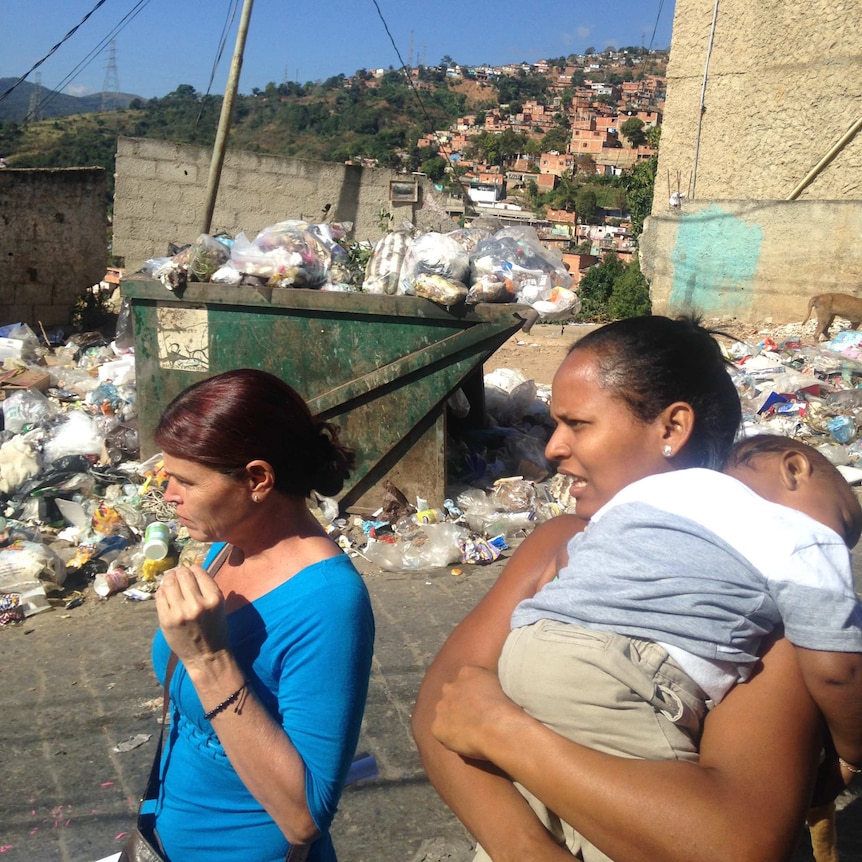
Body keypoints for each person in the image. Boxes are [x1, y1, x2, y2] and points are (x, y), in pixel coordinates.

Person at [412, 316, 848, 862]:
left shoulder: (753, 596)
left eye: (578, 424)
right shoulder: (558, 540)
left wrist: (506, 732)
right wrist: (524, 848)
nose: (552, 449)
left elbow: (733, 842)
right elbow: (443, 703)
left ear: (671, 429)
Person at [497, 432, 862, 858]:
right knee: (666, 834)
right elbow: (840, 670)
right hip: (620, 675)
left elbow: (564, 565)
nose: (841, 548)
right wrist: (851, 753)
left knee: (551, 807)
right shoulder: (803, 534)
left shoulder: (664, 491)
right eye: (844, 523)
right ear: (795, 468)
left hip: (530, 644)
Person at [150, 369, 375, 862]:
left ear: (257, 479)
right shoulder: (229, 548)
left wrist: (208, 660)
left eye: (185, 480)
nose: (168, 494)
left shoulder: (329, 602)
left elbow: (304, 817)